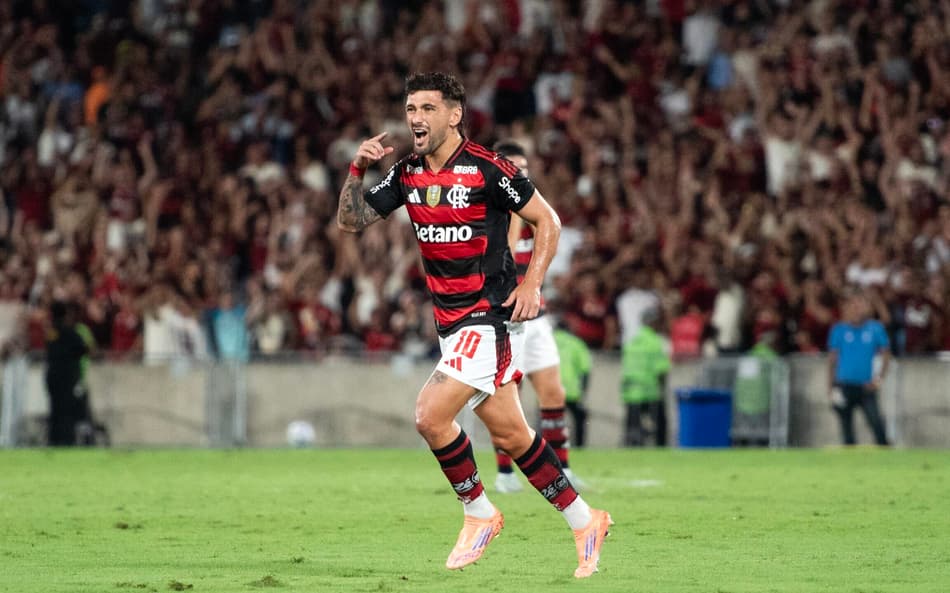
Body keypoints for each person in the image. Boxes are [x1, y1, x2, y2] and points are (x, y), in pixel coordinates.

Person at [336, 72, 612, 578]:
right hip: (451, 325)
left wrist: (531, 284)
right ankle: (585, 519)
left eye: (426, 108)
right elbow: (352, 221)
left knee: (429, 414)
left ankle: (479, 513)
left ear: (454, 114)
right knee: (512, 437)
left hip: (487, 320)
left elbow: (547, 220)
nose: (415, 118)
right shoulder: (406, 173)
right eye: (410, 108)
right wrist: (357, 167)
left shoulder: (488, 169)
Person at [490, 140, 586, 493]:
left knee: (553, 394)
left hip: (536, 317)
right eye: (512, 170)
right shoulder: (491, 213)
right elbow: (506, 254)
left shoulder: (535, 212)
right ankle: (505, 474)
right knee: (506, 401)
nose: (520, 176)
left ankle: (564, 470)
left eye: (524, 170)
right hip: (502, 320)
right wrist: (516, 212)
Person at [827, 293, 890, 446]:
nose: (856, 310)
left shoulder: (875, 328)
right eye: (853, 306)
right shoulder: (839, 330)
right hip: (844, 385)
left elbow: (886, 355)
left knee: (876, 423)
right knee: (846, 426)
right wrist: (830, 386)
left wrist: (879, 379)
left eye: (859, 306)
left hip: (866, 386)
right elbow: (832, 359)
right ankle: (849, 462)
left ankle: (885, 453)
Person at [620, 308, 671, 447]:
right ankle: (660, 448)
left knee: (632, 424)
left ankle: (631, 447)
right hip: (649, 390)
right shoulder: (655, 341)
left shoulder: (632, 341)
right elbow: (662, 369)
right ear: (653, 323)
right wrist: (662, 388)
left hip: (631, 391)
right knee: (659, 422)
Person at [44, 300, 90, 446]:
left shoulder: (51, 333)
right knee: (67, 410)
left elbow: (50, 351)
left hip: (53, 376)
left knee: (55, 409)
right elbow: (83, 349)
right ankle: (66, 439)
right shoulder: (70, 332)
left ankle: (54, 439)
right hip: (68, 377)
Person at [553, 319, 592, 448]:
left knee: (549, 420)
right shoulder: (576, 343)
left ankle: (548, 447)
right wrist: (583, 390)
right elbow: (585, 369)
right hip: (571, 389)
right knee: (580, 418)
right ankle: (579, 446)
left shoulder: (548, 341)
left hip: (549, 388)